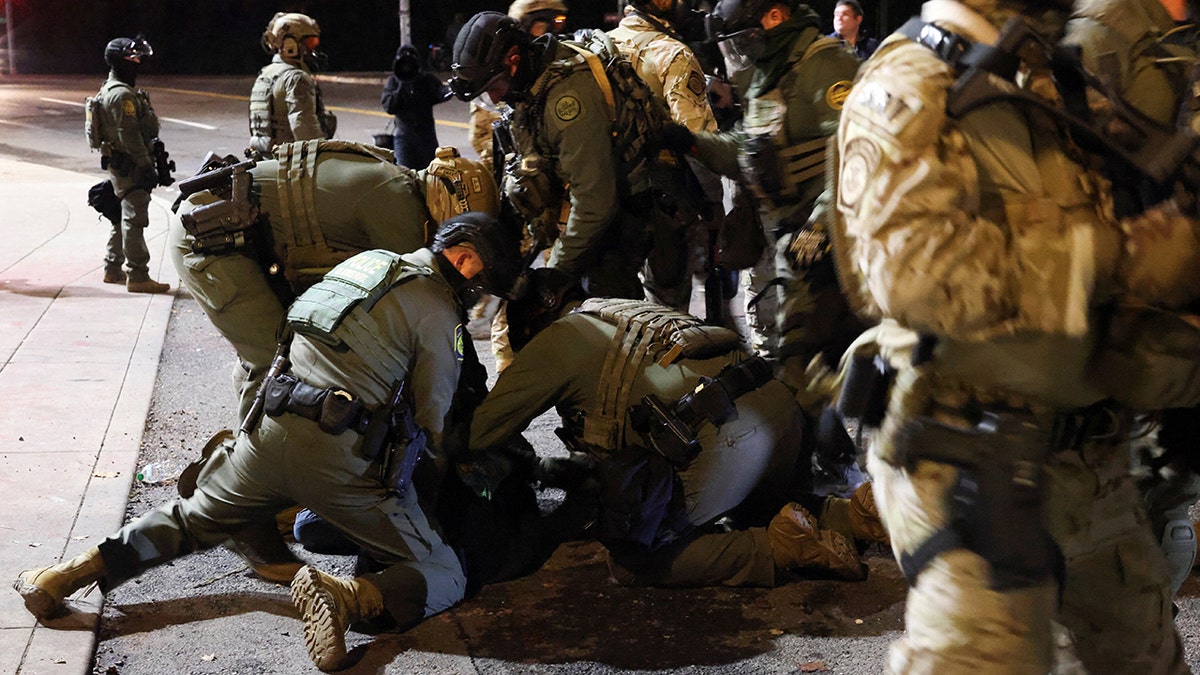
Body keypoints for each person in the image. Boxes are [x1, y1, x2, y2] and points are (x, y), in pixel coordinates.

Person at [832, 0, 1200, 670]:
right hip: (967, 452)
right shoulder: (914, 80)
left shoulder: (1046, 77)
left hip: (1090, 461)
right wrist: (1114, 256)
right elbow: (910, 271)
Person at [13, 214, 525, 673]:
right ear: (464, 260)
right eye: (480, 285)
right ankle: (343, 597)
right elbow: (433, 419)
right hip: (342, 461)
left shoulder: (368, 262)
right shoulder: (437, 310)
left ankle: (62, 576)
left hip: (267, 430)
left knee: (189, 519)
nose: (477, 297)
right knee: (444, 570)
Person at [469, 268, 888, 588]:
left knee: (636, 560)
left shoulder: (555, 339)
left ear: (532, 326)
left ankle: (780, 547)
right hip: (782, 418)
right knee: (749, 502)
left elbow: (478, 432)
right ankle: (856, 515)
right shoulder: (622, 309)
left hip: (728, 441)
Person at [170, 142, 499, 426]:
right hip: (210, 235)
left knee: (270, 349)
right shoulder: (400, 207)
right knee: (276, 363)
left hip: (230, 231)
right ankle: (253, 462)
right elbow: (429, 306)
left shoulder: (395, 181)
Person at [1063, 0, 1200, 598]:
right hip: (1144, 307)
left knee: (1145, 495)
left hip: (1148, 312)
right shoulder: (1119, 35)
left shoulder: (1107, 33)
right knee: (1153, 492)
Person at [661, 0, 864, 392]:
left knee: (810, 360)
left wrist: (820, 226)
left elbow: (859, 153)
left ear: (775, 16)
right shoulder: (772, 71)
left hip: (831, 245)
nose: (740, 50)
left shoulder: (825, 64)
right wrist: (692, 143)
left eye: (744, 38)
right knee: (799, 359)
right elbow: (747, 151)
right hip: (788, 241)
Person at [451, 11, 685, 300]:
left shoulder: (568, 101)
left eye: (494, 88)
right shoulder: (531, 82)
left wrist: (556, 271)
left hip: (626, 208)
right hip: (591, 201)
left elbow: (595, 202)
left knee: (604, 305)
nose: (496, 99)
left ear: (514, 60)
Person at [608, 0, 729, 318]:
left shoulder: (600, 46)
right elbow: (697, 140)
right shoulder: (673, 53)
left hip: (609, 196)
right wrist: (714, 206)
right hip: (663, 200)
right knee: (666, 309)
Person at [89, 36, 171, 294]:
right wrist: (146, 166)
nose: (137, 62)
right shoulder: (122, 95)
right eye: (132, 58)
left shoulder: (110, 88)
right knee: (135, 220)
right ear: (119, 61)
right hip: (130, 165)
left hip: (120, 163)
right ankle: (138, 275)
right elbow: (130, 135)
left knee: (120, 218)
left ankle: (112, 268)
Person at [466, 0, 570, 171]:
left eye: (557, 23)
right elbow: (481, 136)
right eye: (541, 26)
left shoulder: (564, 68)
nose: (549, 33)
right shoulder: (502, 74)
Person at [248, 12, 336, 159]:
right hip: (289, 162)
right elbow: (306, 131)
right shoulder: (296, 78)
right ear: (290, 44)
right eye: (310, 43)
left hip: (264, 158)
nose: (311, 50)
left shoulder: (266, 74)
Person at [381, 44, 454, 169]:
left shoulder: (426, 80)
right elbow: (389, 107)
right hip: (404, 138)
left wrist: (453, 87)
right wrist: (402, 85)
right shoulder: (393, 82)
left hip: (426, 138)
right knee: (405, 173)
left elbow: (441, 93)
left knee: (430, 173)